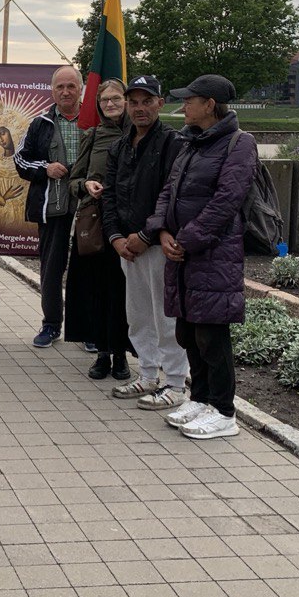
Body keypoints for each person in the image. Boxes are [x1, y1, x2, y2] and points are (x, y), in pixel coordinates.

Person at [149, 74, 257, 440]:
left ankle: (224, 412)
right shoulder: (191, 142)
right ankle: (201, 398)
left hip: (213, 255)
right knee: (188, 330)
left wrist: (186, 239)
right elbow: (168, 191)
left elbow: (227, 200)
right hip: (182, 253)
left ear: (209, 105)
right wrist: (161, 231)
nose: (183, 106)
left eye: (189, 100)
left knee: (212, 333)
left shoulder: (239, 144)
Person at [101, 75, 189, 409]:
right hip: (127, 248)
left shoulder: (173, 143)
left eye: (147, 101)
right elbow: (109, 196)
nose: (140, 108)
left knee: (166, 317)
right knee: (138, 315)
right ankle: (148, 374)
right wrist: (115, 238)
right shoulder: (119, 147)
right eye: (134, 102)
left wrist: (145, 235)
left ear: (160, 104)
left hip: (157, 245)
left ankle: (176, 383)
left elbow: (173, 196)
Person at [64, 78, 133, 380]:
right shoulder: (92, 136)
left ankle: (122, 354)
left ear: (126, 100)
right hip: (96, 224)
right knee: (98, 290)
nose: (110, 104)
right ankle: (103, 353)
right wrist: (86, 185)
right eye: (104, 100)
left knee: (123, 293)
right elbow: (73, 181)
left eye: (116, 98)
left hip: (128, 225)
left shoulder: (138, 134)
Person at [15, 65, 84, 348]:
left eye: (71, 86)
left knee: (85, 271)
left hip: (89, 208)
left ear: (81, 89)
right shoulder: (40, 124)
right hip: (52, 207)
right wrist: (46, 168)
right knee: (51, 268)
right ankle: (51, 325)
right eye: (60, 87)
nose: (66, 92)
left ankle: (86, 330)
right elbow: (20, 160)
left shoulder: (95, 121)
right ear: (52, 91)